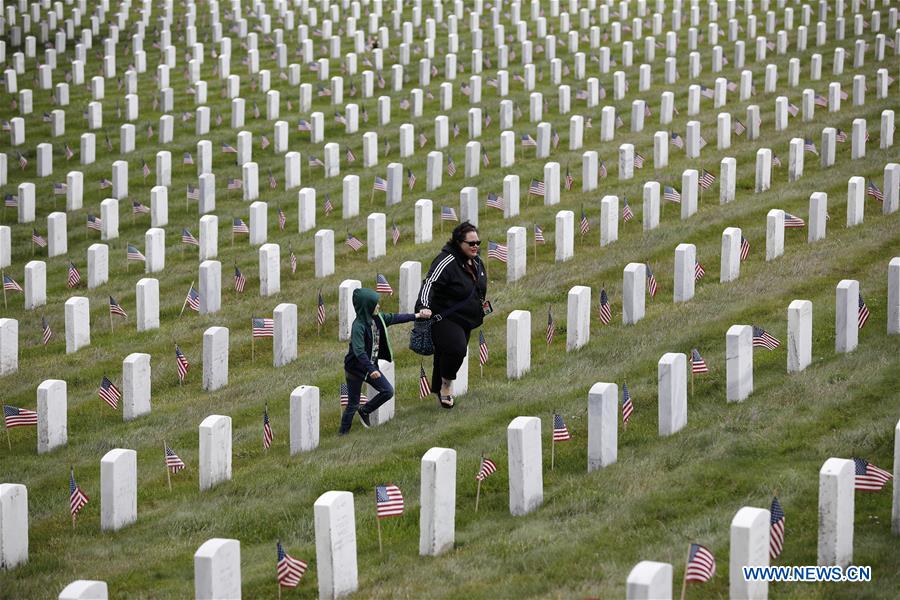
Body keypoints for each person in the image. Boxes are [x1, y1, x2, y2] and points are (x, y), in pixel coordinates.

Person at [416, 221, 489, 409]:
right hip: (444, 316)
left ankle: (437, 388)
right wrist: (423, 305)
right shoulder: (446, 261)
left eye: (477, 243)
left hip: (466, 319)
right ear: (458, 243)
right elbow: (430, 284)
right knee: (457, 349)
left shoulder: (477, 261)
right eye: (471, 243)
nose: (475, 247)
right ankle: (446, 386)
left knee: (447, 352)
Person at [340, 288, 431, 434]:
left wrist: (418, 315)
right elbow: (359, 351)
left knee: (388, 391)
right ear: (367, 306)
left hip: (371, 367)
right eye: (375, 304)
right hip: (355, 369)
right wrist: (371, 369)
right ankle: (343, 434)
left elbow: (396, 318)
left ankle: (365, 410)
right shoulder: (358, 326)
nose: (378, 306)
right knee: (353, 403)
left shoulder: (379, 318)